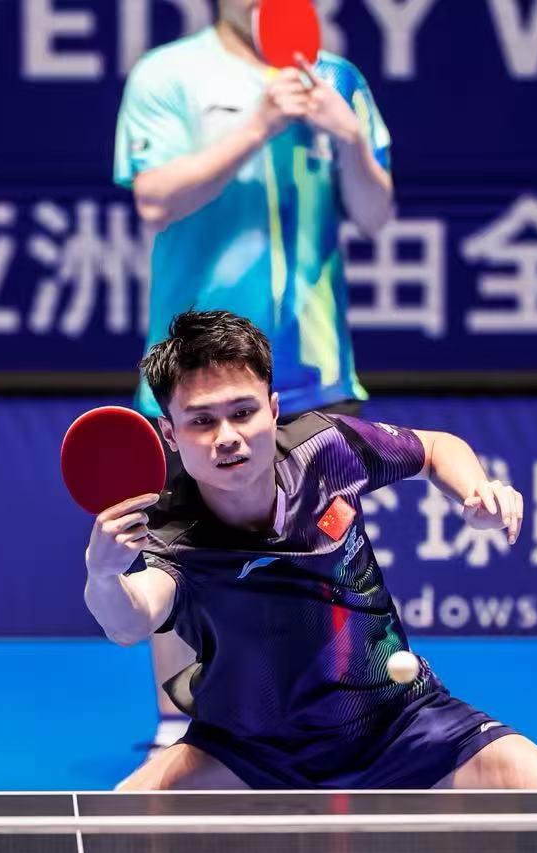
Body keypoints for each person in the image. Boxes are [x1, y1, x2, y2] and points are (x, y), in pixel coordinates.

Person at [85, 310, 537, 792]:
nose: (228, 437)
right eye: (202, 421)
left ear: (273, 409)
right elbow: (132, 620)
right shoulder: (175, 531)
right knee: (114, 831)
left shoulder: (325, 449)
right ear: (170, 433)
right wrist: (104, 576)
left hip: (402, 727)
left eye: (243, 412)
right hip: (247, 750)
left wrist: (474, 491)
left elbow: (435, 449)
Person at [114, 1, 394, 754]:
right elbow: (154, 198)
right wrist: (259, 124)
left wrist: (349, 138)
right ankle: (180, 731)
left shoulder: (338, 77)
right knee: (180, 550)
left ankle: (332, 720)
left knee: (325, 559)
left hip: (315, 369)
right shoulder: (169, 74)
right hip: (200, 378)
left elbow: (374, 213)